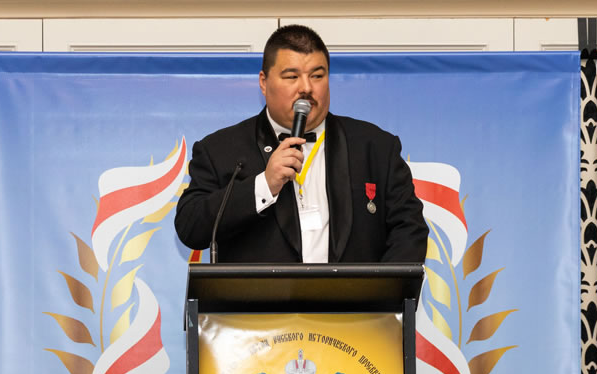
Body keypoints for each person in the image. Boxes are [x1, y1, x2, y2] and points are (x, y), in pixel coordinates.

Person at [174, 24, 428, 264]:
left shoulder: (375, 147)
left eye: (317, 75)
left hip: (354, 299)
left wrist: (381, 292)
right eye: (292, 76)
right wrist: (264, 185)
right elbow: (190, 226)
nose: (306, 88)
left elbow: (410, 230)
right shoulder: (220, 150)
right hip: (260, 299)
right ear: (264, 82)